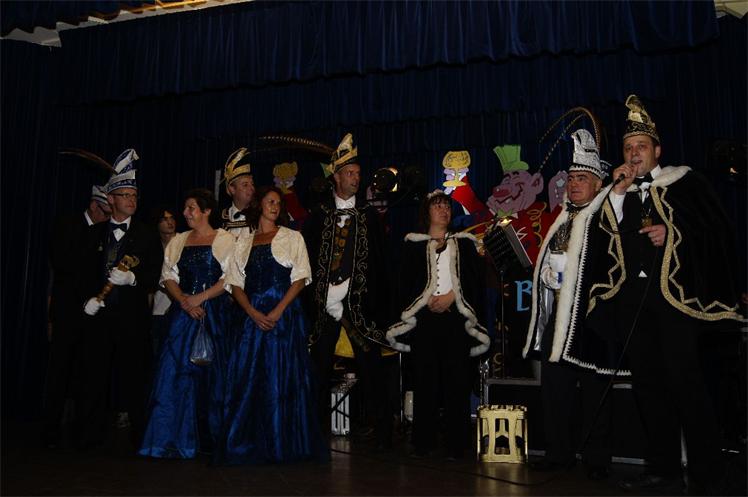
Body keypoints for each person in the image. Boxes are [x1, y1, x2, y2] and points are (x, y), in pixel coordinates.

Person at [593, 95, 743, 494]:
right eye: (628, 147)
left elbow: (714, 231)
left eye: (641, 146)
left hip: (673, 300)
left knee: (686, 384)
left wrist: (673, 234)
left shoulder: (684, 182)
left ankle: (708, 473)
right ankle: (663, 468)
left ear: (657, 150)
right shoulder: (617, 192)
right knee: (648, 387)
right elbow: (603, 241)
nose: (634, 153)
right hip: (634, 301)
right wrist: (617, 194)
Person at [522, 129, 616, 480]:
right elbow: (551, 264)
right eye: (572, 178)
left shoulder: (605, 217)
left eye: (582, 178)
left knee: (595, 390)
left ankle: (596, 459)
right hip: (558, 320)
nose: (574, 184)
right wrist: (548, 274)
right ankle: (558, 453)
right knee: (554, 390)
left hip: (592, 319)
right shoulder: (561, 217)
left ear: (597, 184)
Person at [215, 186, 328, 464]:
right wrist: (252, 312)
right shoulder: (243, 242)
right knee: (250, 376)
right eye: (270, 201)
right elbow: (234, 283)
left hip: (284, 317)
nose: (275, 206)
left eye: (278, 202)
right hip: (252, 318)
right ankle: (250, 441)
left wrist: (278, 310)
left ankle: (284, 442)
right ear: (259, 205)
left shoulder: (293, 237)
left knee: (284, 375)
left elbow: (300, 278)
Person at [302, 133, 392, 448]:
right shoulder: (318, 216)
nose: (356, 178)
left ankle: (381, 431)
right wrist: (320, 296)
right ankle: (313, 430)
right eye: (350, 173)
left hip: (359, 308)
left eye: (358, 173)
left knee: (371, 368)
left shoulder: (369, 217)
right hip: (324, 307)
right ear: (336, 177)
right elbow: (306, 261)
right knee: (319, 367)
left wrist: (372, 299)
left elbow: (380, 264)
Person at [386, 190, 490, 460]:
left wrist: (452, 296)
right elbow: (404, 282)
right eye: (438, 206)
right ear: (427, 212)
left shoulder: (464, 243)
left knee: (457, 381)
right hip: (425, 321)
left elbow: (474, 280)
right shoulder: (413, 245)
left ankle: (457, 444)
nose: (444, 210)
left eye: (447, 206)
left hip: (455, 319)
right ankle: (423, 442)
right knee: (425, 381)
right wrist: (426, 299)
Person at [76, 149, 163, 449]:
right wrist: (86, 300)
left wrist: (134, 279)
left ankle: (140, 438)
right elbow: (81, 274)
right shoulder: (94, 234)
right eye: (125, 195)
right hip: (99, 319)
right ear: (110, 199)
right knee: (94, 378)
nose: (131, 200)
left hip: (132, 318)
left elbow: (155, 274)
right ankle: (89, 437)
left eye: (134, 195)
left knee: (135, 378)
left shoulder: (147, 235)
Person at [139, 188, 234, 458]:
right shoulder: (178, 240)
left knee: (213, 377)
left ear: (207, 211)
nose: (185, 213)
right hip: (183, 315)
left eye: (191, 208)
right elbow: (168, 276)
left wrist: (199, 298)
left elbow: (230, 278)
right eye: (185, 208)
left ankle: (209, 439)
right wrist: (184, 301)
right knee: (174, 373)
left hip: (213, 315)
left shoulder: (225, 239)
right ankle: (171, 439)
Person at [42, 184, 111, 448]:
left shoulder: (106, 232)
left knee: (88, 373)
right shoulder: (66, 225)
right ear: (94, 205)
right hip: (67, 312)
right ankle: (50, 430)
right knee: (58, 372)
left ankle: (84, 432)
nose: (107, 218)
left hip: (94, 316)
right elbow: (63, 264)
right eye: (105, 212)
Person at [148, 206, 177, 355]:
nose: (170, 222)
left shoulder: (184, 242)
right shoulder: (151, 247)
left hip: (180, 307)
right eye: (164, 219)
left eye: (172, 218)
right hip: (158, 310)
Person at [220, 147, 255, 237]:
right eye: (245, 185)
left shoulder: (261, 216)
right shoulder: (218, 218)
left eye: (252, 184)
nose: (252, 188)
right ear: (232, 189)